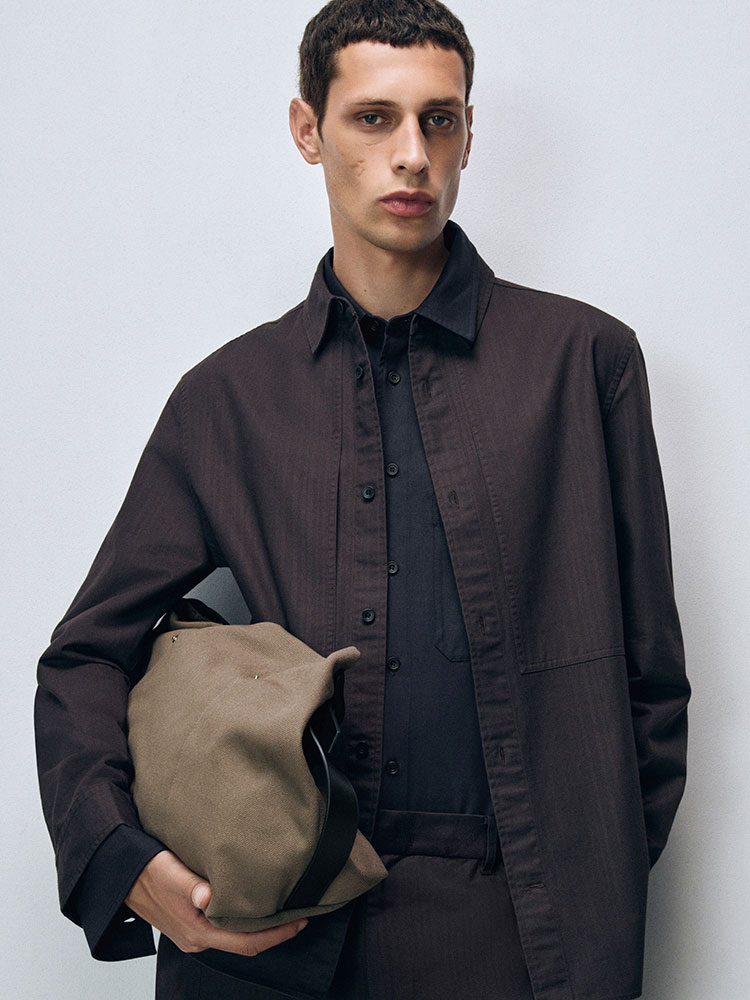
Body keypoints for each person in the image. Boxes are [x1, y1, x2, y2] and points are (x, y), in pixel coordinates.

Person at [34, 1, 690, 998]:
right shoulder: (228, 399)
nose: (412, 155)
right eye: (373, 118)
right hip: (270, 942)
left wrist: (587, 882)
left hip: (514, 942)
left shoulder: (583, 364)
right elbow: (87, 655)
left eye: (439, 119)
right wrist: (126, 860)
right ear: (309, 129)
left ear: (468, 132)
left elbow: (650, 682)